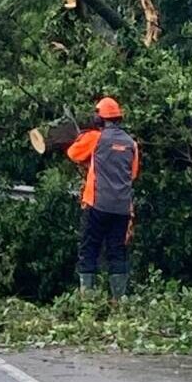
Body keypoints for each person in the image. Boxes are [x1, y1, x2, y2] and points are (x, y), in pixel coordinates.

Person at [67, 97, 140, 299]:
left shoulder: (95, 138)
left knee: (89, 249)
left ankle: (88, 300)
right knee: (117, 252)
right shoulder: (131, 143)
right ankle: (119, 300)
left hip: (97, 205)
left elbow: (73, 154)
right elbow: (133, 174)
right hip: (122, 208)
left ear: (99, 118)